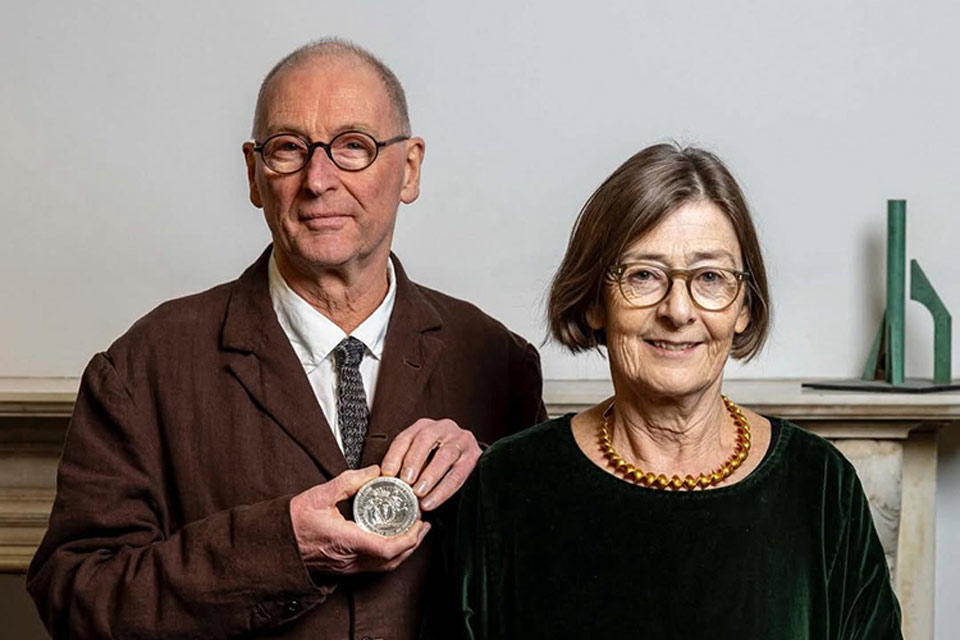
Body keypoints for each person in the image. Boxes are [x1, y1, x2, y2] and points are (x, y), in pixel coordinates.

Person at [26, 40, 546, 639]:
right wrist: (281, 550)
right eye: (289, 149)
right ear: (254, 174)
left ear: (409, 169)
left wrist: (498, 474)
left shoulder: (499, 361)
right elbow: (78, 600)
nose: (318, 180)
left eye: (354, 146)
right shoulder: (141, 369)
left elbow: (548, 585)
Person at [452, 143, 903, 638]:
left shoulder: (820, 487)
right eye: (644, 275)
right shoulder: (508, 485)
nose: (678, 311)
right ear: (595, 302)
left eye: (710, 277)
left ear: (744, 307)